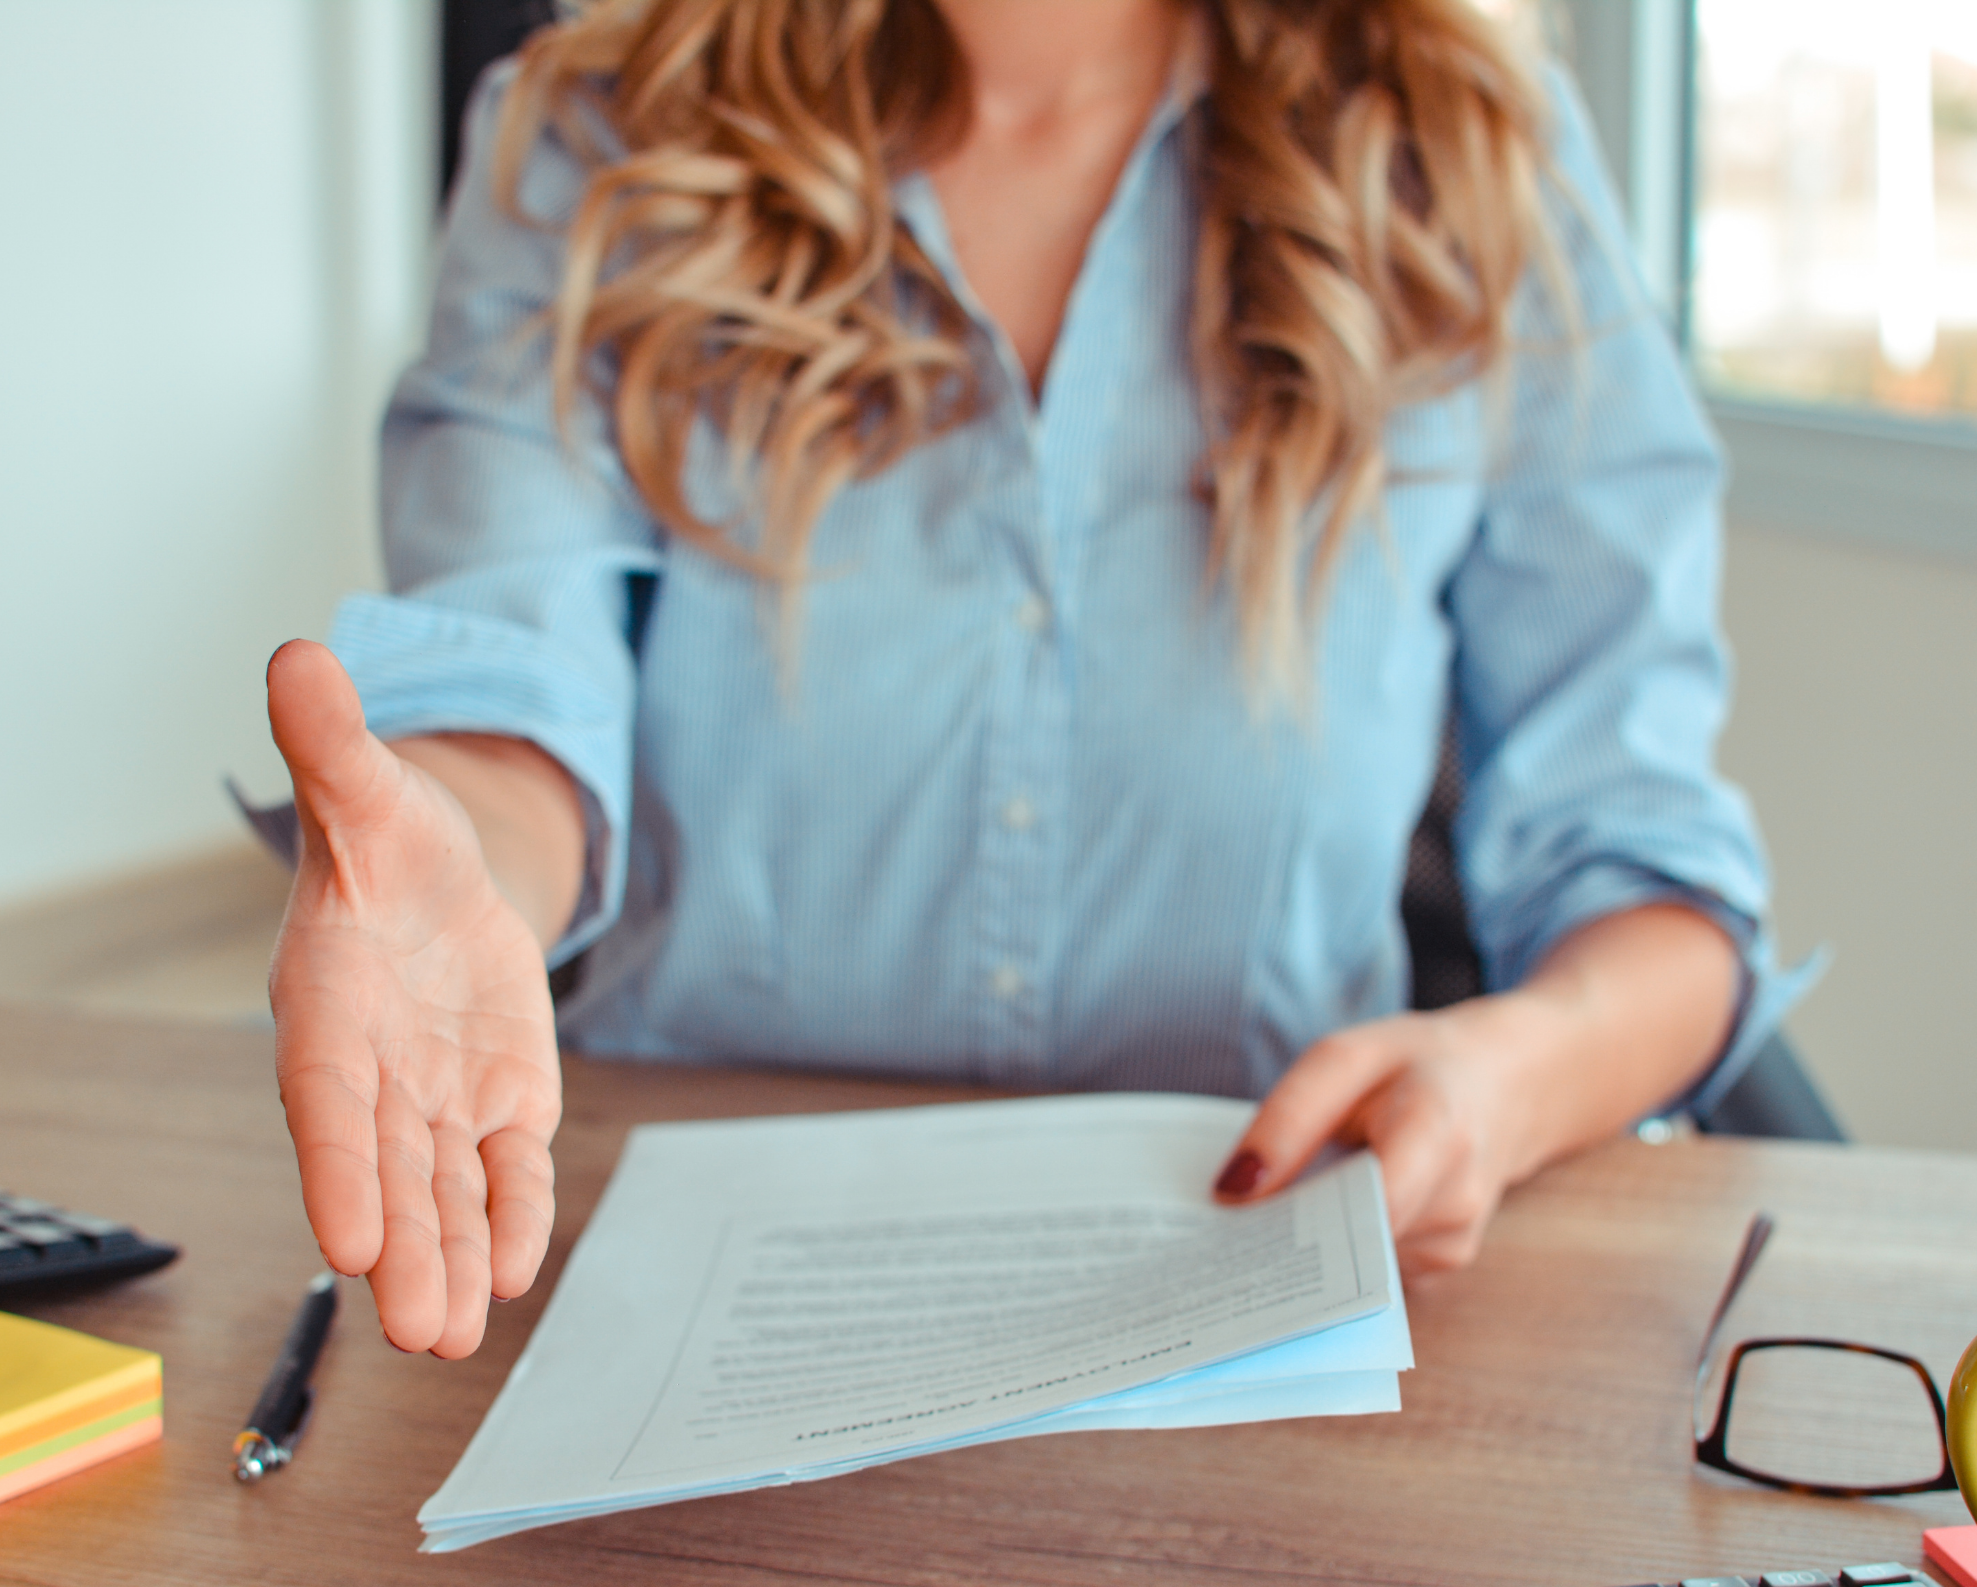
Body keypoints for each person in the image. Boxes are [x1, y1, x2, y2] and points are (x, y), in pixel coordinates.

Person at [263, 0, 1801, 1360]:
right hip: (673, 1322)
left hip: (1263, 1334)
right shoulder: (593, 139)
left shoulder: (1471, 155)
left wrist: (1511, 1074)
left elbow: (1649, 871)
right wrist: (456, 849)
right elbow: (515, 695)